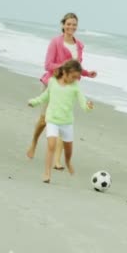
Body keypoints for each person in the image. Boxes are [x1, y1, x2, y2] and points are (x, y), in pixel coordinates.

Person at [26, 13, 97, 170]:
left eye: (74, 24)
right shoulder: (55, 42)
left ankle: (57, 161)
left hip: (69, 86)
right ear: (63, 25)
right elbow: (47, 65)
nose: (71, 27)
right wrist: (63, 66)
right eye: (69, 24)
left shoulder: (79, 45)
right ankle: (34, 142)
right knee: (44, 120)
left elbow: (76, 67)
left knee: (62, 120)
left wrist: (87, 73)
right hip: (53, 83)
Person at [28, 60, 94, 183]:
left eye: (77, 77)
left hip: (67, 123)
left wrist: (88, 107)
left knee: (68, 150)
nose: (75, 79)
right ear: (64, 72)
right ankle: (47, 173)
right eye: (73, 76)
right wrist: (34, 102)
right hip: (52, 119)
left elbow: (82, 102)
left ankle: (68, 162)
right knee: (51, 145)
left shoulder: (75, 87)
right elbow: (45, 96)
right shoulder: (52, 82)